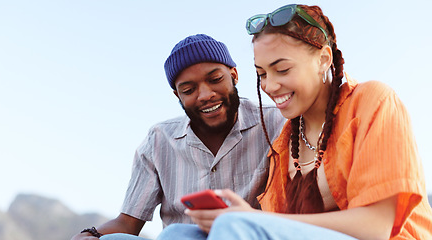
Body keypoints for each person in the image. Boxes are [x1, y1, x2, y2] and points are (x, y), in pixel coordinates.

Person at [156, 4, 432, 240]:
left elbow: (376, 227)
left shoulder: (373, 101)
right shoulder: (285, 140)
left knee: (235, 225)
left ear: (324, 59)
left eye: (283, 69)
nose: (270, 85)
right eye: (262, 73)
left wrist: (252, 220)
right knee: (177, 234)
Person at [71, 34, 285, 240]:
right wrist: (91, 235)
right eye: (189, 90)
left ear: (234, 75)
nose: (205, 95)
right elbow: (128, 223)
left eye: (215, 79)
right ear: (178, 95)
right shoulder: (158, 140)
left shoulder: (276, 123)